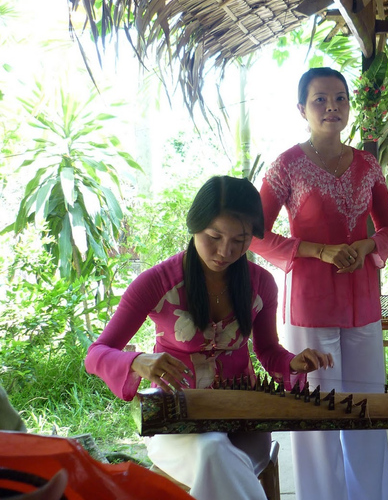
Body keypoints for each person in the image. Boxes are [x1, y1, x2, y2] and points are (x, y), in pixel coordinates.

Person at [85, 175, 332, 500]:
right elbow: (96, 354)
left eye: (240, 240)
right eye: (214, 236)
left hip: (243, 418)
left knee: (217, 458)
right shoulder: (156, 283)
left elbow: (269, 352)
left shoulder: (260, 285)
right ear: (194, 226)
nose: (225, 251)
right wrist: (137, 362)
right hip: (177, 418)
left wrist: (293, 362)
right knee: (213, 452)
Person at [249, 67, 388, 500]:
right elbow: (256, 233)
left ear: (349, 106)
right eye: (320, 99)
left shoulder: (368, 164)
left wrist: (367, 243)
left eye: (340, 99)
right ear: (302, 109)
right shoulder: (286, 166)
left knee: (368, 411)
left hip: (363, 302)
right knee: (317, 417)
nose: (332, 107)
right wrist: (319, 250)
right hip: (310, 305)